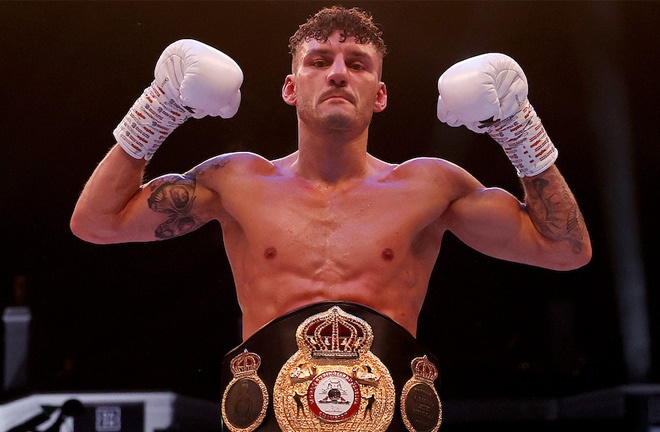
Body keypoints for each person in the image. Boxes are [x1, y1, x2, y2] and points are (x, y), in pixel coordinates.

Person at [70, 6, 591, 431]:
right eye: (320, 60)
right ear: (290, 88)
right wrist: (157, 109)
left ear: (379, 95)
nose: (339, 72)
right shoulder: (236, 183)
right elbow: (97, 221)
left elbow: (565, 250)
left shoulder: (431, 187)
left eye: (358, 64)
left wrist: (520, 131)